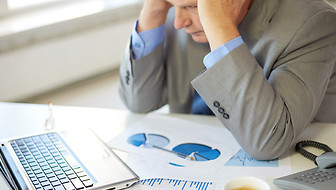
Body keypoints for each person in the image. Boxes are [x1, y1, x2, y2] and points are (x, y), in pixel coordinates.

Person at [119, 0, 336, 160]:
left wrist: (219, 25)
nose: (178, 22)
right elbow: (140, 102)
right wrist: (153, 11)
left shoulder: (313, 23)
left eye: (192, 6)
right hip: (192, 162)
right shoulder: (174, 12)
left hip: (291, 168)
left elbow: (266, 144)